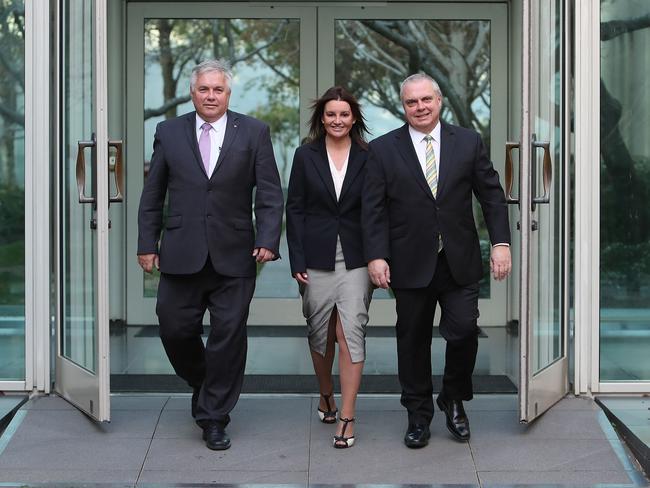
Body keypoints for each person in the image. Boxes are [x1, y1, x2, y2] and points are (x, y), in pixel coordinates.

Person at [136, 59, 284, 451]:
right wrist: (147, 244)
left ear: (228, 93)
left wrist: (269, 238)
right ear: (193, 92)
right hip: (181, 253)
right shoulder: (168, 132)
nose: (211, 96)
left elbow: (269, 192)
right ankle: (206, 385)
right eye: (204, 89)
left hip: (235, 255)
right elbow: (153, 195)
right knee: (173, 328)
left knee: (228, 338)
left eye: (218, 89)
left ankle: (214, 416)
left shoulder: (253, 132)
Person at [362, 73, 511, 448]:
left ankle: (453, 397)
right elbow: (373, 209)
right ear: (403, 106)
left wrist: (501, 243)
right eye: (412, 102)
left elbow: (491, 196)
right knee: (412, 341)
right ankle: (418, 414)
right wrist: (376, 255)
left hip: (458, 260)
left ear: (439, 101)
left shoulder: (468, 142)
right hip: (408, 262)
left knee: (463, 331)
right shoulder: (382, 150)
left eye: (426, 100)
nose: (420, 107)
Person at [286, 86, 373, 449]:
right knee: (320, 331)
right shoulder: (305, 156)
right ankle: (326, 394)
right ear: (322, 118)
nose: (338, 120)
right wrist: (297, 259)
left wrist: (379, 257)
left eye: (344, 114)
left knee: (349, 331)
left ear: (354, 118)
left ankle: (347, 416)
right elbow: (295, 209)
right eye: (331, 114)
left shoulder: (371, 156)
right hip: (316, 256)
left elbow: (378, 209)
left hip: (358, 257)